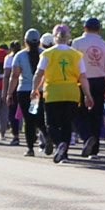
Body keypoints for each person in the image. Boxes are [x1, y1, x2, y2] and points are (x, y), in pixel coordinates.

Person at [32, 24, 95, 163]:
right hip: (71, 92)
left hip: (54, 91)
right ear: (68, 37)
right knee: (67, 123)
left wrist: (34, 89)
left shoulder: (47, 54)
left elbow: (39, 73)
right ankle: (64, 155)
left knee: (52, 124)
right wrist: (88, 95)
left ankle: (59, 144)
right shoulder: (76, 55)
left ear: (54, 38)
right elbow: (83, 77)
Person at [72, 17, 105, 158]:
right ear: (99, 29)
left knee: (79, 113)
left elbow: (73, 65)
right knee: (96, 114)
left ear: (85, 28)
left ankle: (86, 137)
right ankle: (94, 149)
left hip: (80, 80)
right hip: (99, 81)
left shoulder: (77, 43)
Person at [5, 29, 45, 156]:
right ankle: (46, 135)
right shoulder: (44, 54)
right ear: (39, 42)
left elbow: (14, 76)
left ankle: (30, 148)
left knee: (28, 119)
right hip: (39, 91)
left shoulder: (20, 56)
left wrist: (9, 93)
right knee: (39, 117)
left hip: (24, 91)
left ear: (25, 41)